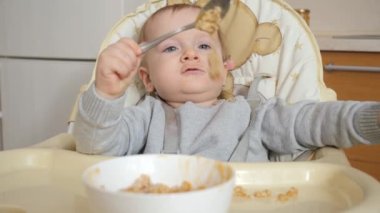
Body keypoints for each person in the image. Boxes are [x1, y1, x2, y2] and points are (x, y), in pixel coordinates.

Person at [73, 4, 380, 162]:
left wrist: (372, 119)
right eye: (170, 47)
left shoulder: (255, 114)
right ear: (146, 79)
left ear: (226, 67)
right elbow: (96, 149)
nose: (190, 54)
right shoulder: (144, 117)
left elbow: (316, 120)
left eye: (204, 46)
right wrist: (106, 93)